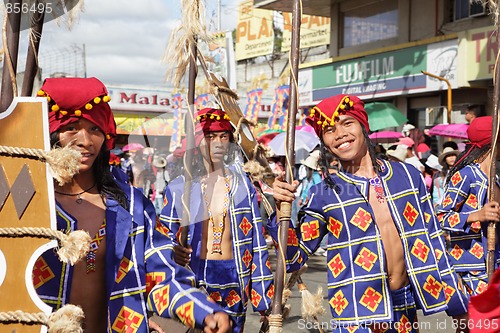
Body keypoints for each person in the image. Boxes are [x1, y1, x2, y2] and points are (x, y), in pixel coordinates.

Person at [33, 78, 231, 333]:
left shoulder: (131, 205)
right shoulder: (27, 204)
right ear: (52, 134)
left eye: (95, 130)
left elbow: (161, 271)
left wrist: (202, 311)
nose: (85, 140)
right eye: (71, 128)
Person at [270, 94, 469, 332]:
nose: (340, 134)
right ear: (324, 141)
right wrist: (278, 212)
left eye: (347, 123)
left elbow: (433, 239)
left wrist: (459, 307)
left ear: (364, 126)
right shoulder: (323, 193)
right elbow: (294, 257)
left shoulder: (407, 176)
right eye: (330, 130)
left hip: (404, 306)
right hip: (356, 313)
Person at [159, 108, 274, 333]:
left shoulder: (243, 184)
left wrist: (264, 298)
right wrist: (174, 250)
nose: (219, 143)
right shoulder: (178, 188)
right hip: (196, 282)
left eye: (224, 136)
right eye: (211, 137)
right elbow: (160, 242)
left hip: (235, 278)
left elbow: (257, 243)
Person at [437, 116, 500, 296]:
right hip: (473, 269)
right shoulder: (465, 175)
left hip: (495, 263)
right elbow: (442, 218)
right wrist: (476, 215)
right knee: (482, 322)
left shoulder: (495, 177)